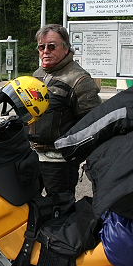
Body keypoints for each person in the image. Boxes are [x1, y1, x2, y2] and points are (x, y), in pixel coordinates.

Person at [29, 24, 102, 197]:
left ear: (66, 48)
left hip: (59, 162)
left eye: (51, 46)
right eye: (41, 47)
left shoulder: (79, 79)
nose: (45, 51)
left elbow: (92, 123)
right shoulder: (38, 74)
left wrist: (73, 153)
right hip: (33, 155)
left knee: (60, 208)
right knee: (29, 205)